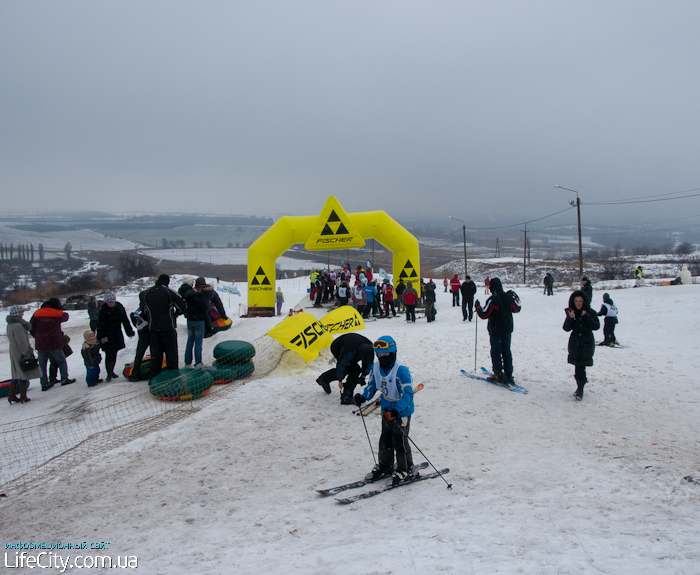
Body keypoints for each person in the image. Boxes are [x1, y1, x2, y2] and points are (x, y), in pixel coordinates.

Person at [353, 336, 417, 486]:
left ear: (392, 353)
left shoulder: (401, 370)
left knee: (399, 440)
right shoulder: (376, 367)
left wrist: (397, 410)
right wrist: (363, 397)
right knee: (386, 439)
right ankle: (386, 466)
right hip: (386, 407)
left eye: (385, 355)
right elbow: (372, 385)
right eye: (379, 356)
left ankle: (406, 468)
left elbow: (408, 393)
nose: (381, 358)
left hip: (402, 410)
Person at [475, 277, 521, 385]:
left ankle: (498, 374)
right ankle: (509, 374)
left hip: (496, 330)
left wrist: (478, 307)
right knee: (506, 351)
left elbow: (484, 314)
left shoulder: (493, 299)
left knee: (496, 352)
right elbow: (517, 308)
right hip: (507, 328)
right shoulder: (508, 297)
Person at [139, 274, 186, 378]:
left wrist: (152, 317)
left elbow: (143, 310)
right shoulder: (169, 292)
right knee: (171, 355)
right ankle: (173, 377)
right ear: (167, 282)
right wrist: (177, 313)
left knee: (156, 355)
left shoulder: (147, 293)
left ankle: (154, 378)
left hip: (153, 329)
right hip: (168, 328)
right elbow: (182, 304)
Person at [316, 333, 375, 404]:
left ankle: (325, 379)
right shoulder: (349, 351)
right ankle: (346, 395)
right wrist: (340, 380)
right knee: (352, 369)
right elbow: (341, 364)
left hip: (352, 345)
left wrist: (363, 376)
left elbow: (368, 363)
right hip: (337, 346)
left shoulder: (370, 349)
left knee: (354, 368)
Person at [30, 298, 75, 390]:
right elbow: (66, 316)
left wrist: (37, 336)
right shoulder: (56, 313)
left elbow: (31, 328)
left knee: (42, 364)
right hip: (54, 342)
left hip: (41, 343)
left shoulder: (36, 313)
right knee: (61, 361)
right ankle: (64, 378)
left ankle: (44, 383)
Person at [563, 290, 600, 400]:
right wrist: (570, 318)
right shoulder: (572, 312)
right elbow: (566, 328)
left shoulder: (590, 312)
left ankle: (580, 388)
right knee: (577, 365)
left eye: (580, 301)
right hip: (575, 342)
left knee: (581, 365)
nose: (578, 303)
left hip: (587, 342)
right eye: (576, 301)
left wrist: (586, 317)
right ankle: (580, 385)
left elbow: (596, 326)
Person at [6, 305, 42, 403]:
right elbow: (21, 341)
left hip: (13, 351)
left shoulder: (10, 324)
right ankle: (23, 396)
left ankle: (12, 395)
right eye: (22, 312)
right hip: (19, 351)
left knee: (16, 373)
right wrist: (25, 353)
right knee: (23, 372)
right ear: (17, 313)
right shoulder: (18, 325)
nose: (23, 313)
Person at [97, 292, 135, 382]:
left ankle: (111, 371)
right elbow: (100, 325)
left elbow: (125, 320)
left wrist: (129, 331)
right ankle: (109, 373)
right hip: (107, 335)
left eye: (112, 302)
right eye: (109, 302)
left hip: (116, 333)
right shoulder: (103, 310)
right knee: (109, 353)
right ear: (106, 302)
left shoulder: (119, 308)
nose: (111, 303)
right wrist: (101, 337)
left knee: (114, 353)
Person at [178, 281, 210, 369]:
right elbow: (205, 307)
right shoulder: (199, 294)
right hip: (199, 320)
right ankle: (198, 363)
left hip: (190, 320)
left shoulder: (187, 295)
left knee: (190, 341)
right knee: (198, 343)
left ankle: (187, 363)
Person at [128, 307, 151, 382]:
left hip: (142, 334)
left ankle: (134, 374)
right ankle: (154, 372)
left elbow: (133, 316)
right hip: (151, 333)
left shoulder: (138, 310)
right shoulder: (148, 308)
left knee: (139, 354)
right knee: (155, 353)